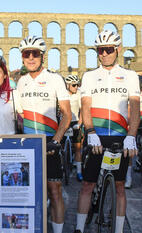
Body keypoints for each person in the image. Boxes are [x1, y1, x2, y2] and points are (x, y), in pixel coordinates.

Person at [74, 30, 140, 233]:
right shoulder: (90, 76)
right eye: (100, 50)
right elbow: (85, 106)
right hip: (97, 137)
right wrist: (90, 131)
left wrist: (132, 135)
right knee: (87, 185)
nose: (104, 54)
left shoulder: (129, 76)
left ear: (118, 50)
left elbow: (136, 110)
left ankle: (118, 230)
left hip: (121, 137)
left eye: (108, 49)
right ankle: (78, 228)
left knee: (120, 186)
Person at [17, 36, 71, 233]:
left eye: (35, 54)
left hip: (50, 142)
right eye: (26, 54)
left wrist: (57, 140)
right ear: (22, 57)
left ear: (42, 56)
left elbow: (67, 114)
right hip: (29, 142)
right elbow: (18, 114)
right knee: (28, 191)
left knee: (54, 189)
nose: (31, 57)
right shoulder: (20, 82)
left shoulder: (55, 79)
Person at [64, 74, 83, 181]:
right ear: (68, 86)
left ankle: (79, 172)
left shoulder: (79, 94)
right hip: (64, 122)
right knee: (59, 146)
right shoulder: (63, 94)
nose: (76, 87)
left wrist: (79, 124)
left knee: (78, 148)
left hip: (75, 122)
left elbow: (83, 110)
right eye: (74, 85)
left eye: (77, 85)